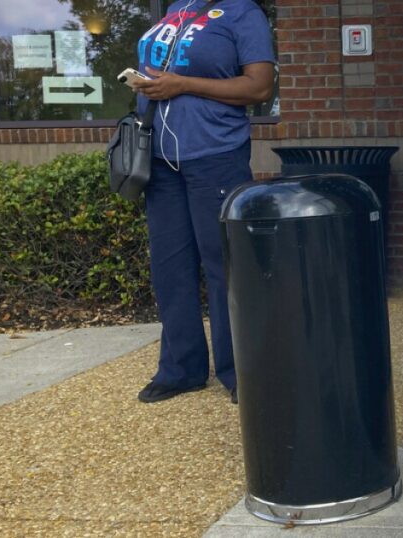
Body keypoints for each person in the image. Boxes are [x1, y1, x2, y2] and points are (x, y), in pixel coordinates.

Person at [130, 0, 275, 404]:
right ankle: (181, 369)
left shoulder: (242, 13)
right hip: (159, 160)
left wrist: (184, 84)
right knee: (170, 267)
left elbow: (260, 87)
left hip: (215, 156)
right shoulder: (178, 8)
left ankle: (239, 370)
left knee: (225, 265)